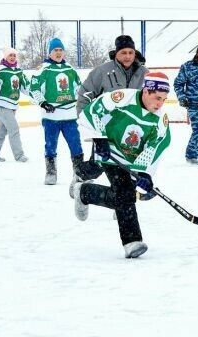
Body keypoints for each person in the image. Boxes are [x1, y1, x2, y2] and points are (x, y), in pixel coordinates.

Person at [73, 72, 172, 259]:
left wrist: (144, 174)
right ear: (146, 91)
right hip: (109, 146)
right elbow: (92, 111)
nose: (160, 104)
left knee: (122, 195)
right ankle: (132, 241)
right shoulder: (122, 98)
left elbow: (156, 146)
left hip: (129, 158)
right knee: (124, 192)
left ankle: (83, 191)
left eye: (164, 100)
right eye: (157, 98)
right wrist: (98, 137)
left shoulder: (160, 120)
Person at [29, 37, 84, 185]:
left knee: (75, 144)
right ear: (50, 53)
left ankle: (79, 173)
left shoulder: (70, 69)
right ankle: (51, 172)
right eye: (55, 50)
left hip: (70, 116)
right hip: (51, 117)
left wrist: (84, 99)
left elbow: (80, 88)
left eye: (60, 50)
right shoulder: (44, 69)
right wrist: (43, 103)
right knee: (50, 145)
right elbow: (33, 88)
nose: (58, 53)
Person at [76, 35, 148, 116]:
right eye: (123, 52)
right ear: (116, 53)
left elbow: (152, 99)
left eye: (131, 53)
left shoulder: (145, 73)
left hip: (135, 124)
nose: (128, 56)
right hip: (107, 123)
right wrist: (83, 119)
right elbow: (85, 95)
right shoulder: (102, 71)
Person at [0, 47, 30, 162]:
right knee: (14, 128)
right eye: (10, 55)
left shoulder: (19, 71)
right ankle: (19, 155)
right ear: (5, 57)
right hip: (2, 104)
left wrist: (36, 93)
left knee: (2, 131)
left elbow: (26, 87)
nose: (12, 57)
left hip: (13, 106)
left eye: (14, 55)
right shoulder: (1, 70)